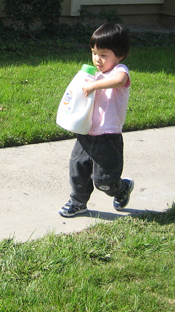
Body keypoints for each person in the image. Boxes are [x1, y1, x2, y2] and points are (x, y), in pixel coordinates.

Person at [58, 22, 134, 217]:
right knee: (78, 169)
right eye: (94, 53)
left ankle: (122, 188)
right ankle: (78, 202)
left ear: (120, 55)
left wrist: (94, 86)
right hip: (87, 132)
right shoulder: (95, 75)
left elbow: (120, 81)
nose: (97, 59)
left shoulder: (119, 71)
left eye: (103, 55)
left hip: (108, 135)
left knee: (105, 181)